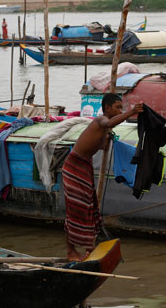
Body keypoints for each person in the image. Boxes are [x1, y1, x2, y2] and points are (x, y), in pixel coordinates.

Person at [63, 93, 143, 261]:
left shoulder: (106, 128)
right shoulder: (101, 120)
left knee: (89, 207)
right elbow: (109, 122)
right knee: (76, 208)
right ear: (107, 108)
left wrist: (106, 142)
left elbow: (99, 146)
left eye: (122, 107)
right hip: (74, 166)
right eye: (118, 107)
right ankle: (71, 251)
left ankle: (89, 248)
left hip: (84, 166)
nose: (120, 110)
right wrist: (131, 112)